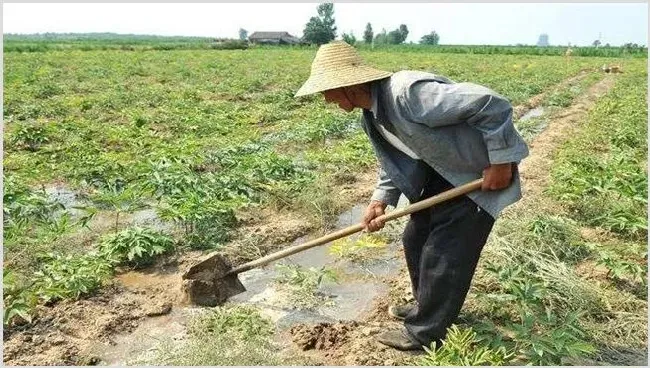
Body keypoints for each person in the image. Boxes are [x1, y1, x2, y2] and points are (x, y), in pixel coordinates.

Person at [295, 41, 529, 351]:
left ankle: (424, 333)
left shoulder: (408, 93)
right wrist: (380, 200)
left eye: (327, 90)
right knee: (415, 240)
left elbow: (491, 104)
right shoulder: (372, 115)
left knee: (444, 254)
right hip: (440, 175)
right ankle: (428, 307)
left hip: (474, 178)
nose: (325, 99)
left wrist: (501, 162)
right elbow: (396, 160)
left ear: (348, 85)